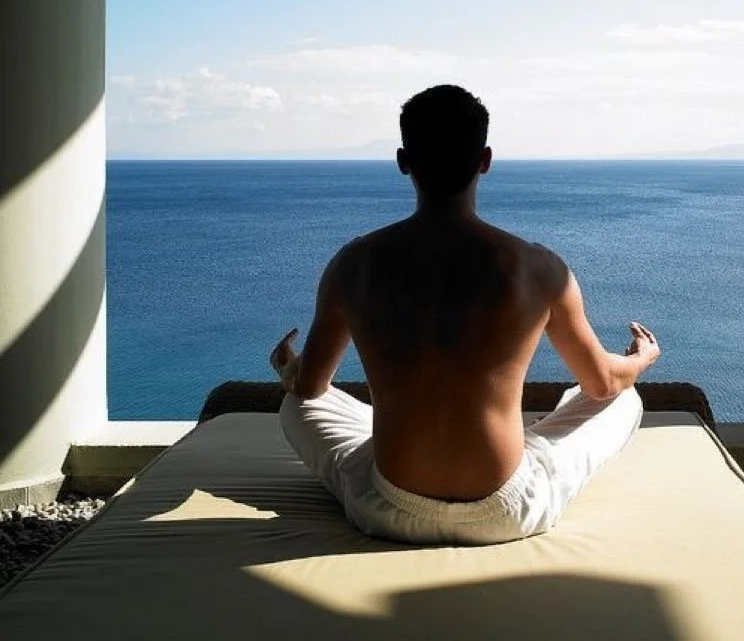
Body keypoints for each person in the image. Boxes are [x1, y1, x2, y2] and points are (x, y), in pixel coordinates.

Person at [269, 84, 661, 545]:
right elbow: (600, 384)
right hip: (506, 510)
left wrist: (289, 367)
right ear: (485, 159)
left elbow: (311, 387)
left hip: (388, 507)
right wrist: (641, 360)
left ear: (403, 161)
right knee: (623, 397)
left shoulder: (354, 264)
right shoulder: (537, 268)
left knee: (296, 404)